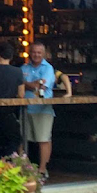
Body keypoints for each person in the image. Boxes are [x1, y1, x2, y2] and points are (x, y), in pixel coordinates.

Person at [22, 41, 57, 181]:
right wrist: (33, 84)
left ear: (44, 54)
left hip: (43, 109)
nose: (36, 55)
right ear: (29, 53)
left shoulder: (48, 68)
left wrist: (26, 84)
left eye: (39, 52)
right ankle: (24, 169)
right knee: (23, 140)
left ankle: (42, 170)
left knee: (43, 140)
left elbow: (41, 85)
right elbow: (20, 84)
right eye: (34, 52)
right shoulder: (24, 67)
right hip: (25, 109)